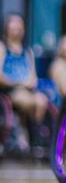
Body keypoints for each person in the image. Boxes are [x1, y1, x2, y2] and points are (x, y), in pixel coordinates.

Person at [0, 13, 49, 152]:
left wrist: (29, 83)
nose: (16, 26)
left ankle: (36, 137)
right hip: (9, 90)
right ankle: (25, 133)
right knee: (28, 101)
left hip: (27, 90)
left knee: (42, 100)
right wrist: (18, 82)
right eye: (13, 23)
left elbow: (33, 78)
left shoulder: (28, 51)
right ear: (7, 27)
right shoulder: (3, 48)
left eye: (19, 23)